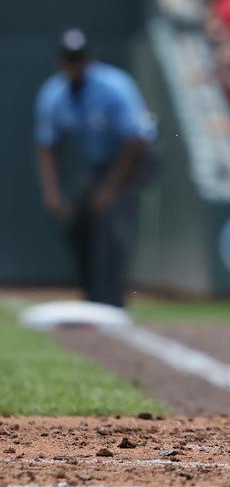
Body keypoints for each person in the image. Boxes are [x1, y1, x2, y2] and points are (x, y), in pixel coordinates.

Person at [33, 30, 157, 308]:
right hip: (100, 163)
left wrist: (110, 190)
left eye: (78, 58)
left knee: (109, 225)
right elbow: (48, 146)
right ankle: (92, 298)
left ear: (89, 59)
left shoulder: (114, 86)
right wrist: (51, 191)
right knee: (78, 226)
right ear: (61, 61)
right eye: (69, 59)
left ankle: (112, 303)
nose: (74, 65)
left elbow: (135, 140)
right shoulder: (55, 93)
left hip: (135, 160)